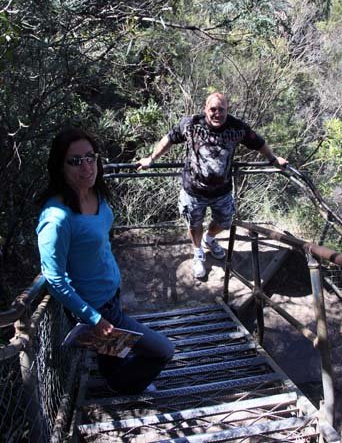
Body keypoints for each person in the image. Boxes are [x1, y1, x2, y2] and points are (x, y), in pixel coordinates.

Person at [36, 127, 174, 394]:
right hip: (97, 307)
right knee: (163, 350)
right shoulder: (57, 219)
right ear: (59, 166)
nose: (86, 166)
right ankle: (124, 385)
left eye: (90, 157)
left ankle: (115, 376)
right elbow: (54, 279)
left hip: (111, 294)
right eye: (75, 161)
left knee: (112, 351)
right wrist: (94, 318)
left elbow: (98, 241)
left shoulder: (94, 194)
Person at [137, 92, 288, 278]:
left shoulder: (237, 128)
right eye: (213, 109)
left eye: (221, 109)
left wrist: (273, 160)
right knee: (194, 223)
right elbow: (169, 138)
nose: (217, 113)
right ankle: (197, 251)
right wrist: (151, 159)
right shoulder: (191, 124)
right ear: (205, 109)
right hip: (193, 190)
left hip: (222, 192)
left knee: (225, 220)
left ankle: (209, 239)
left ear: (227, 110)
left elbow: (258, 143)